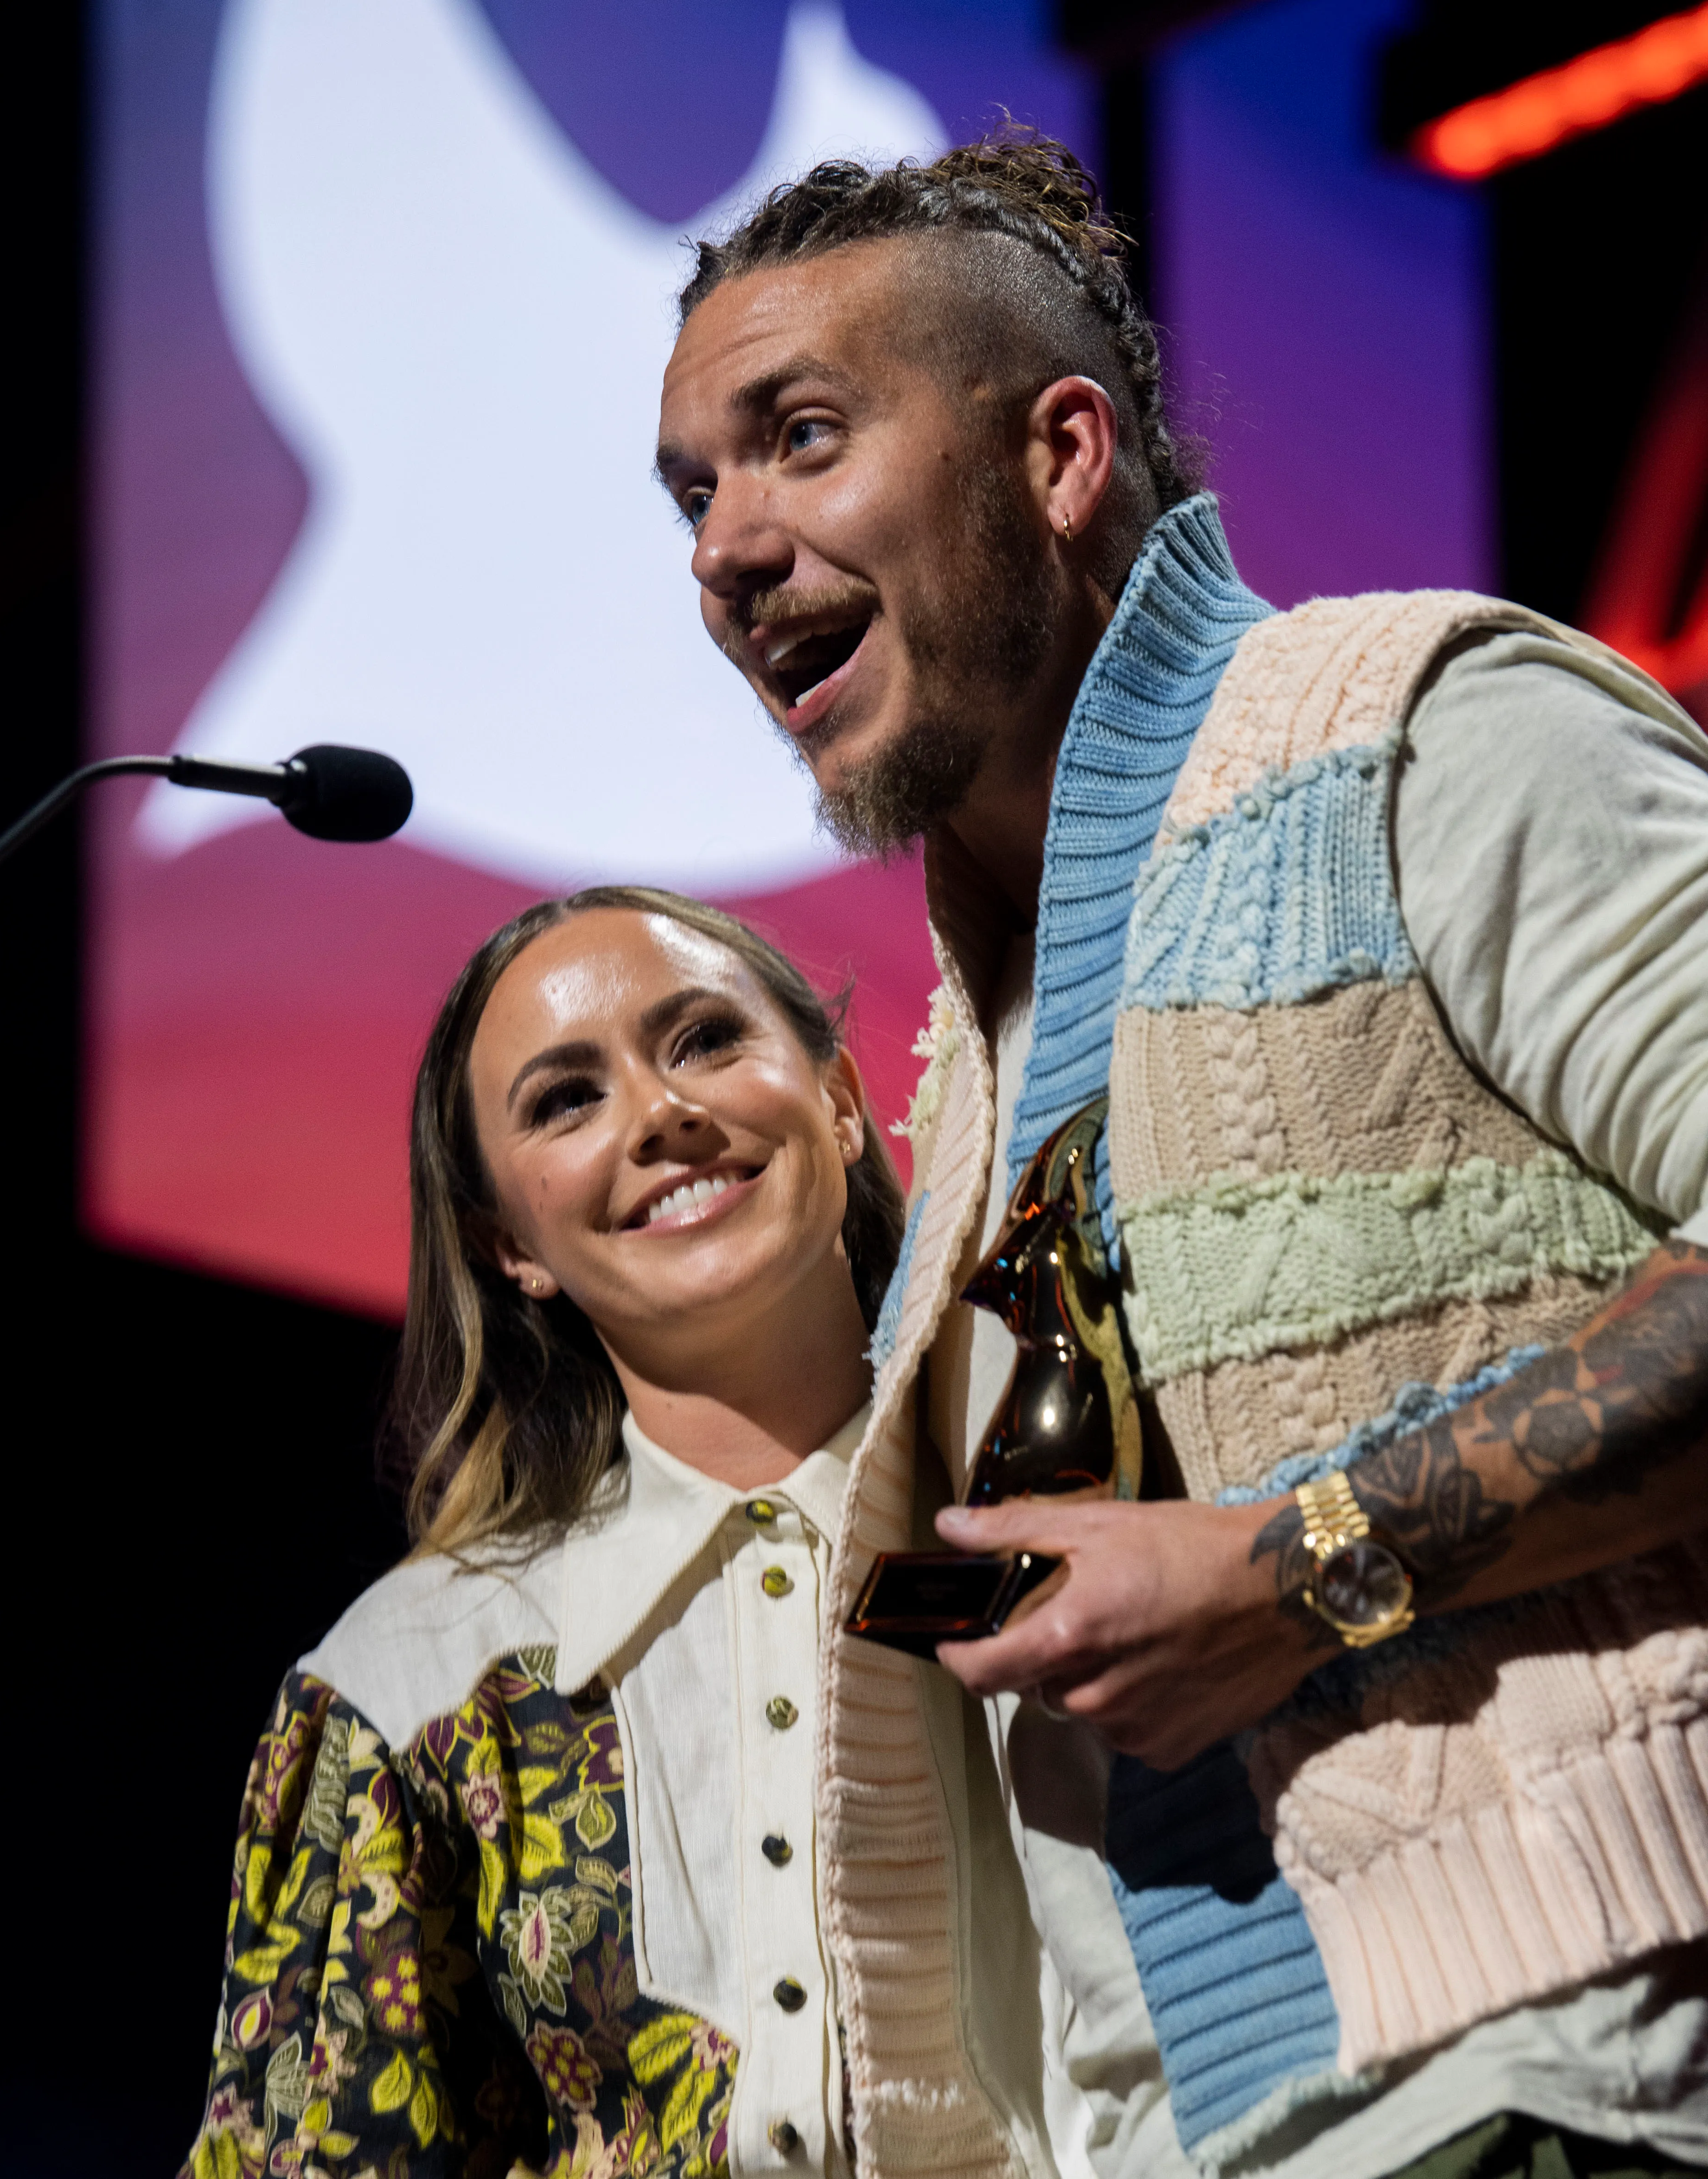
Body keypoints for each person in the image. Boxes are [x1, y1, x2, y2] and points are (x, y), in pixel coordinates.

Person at [654, 135, 1708, 2179]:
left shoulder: (1429, 731)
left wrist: (1305, 1561)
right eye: (694, 493)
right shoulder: (978, 1066)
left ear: (1061, 456)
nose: (725, 546)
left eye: (797, 440)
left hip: (1569, 2076)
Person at [180, 887, 1071, 2179]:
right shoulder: (409, 1683)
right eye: (565, 1101)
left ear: (834, 1098)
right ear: (509, 1246)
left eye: (707, 1038)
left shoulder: (1071, 1503)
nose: (661, 1116)